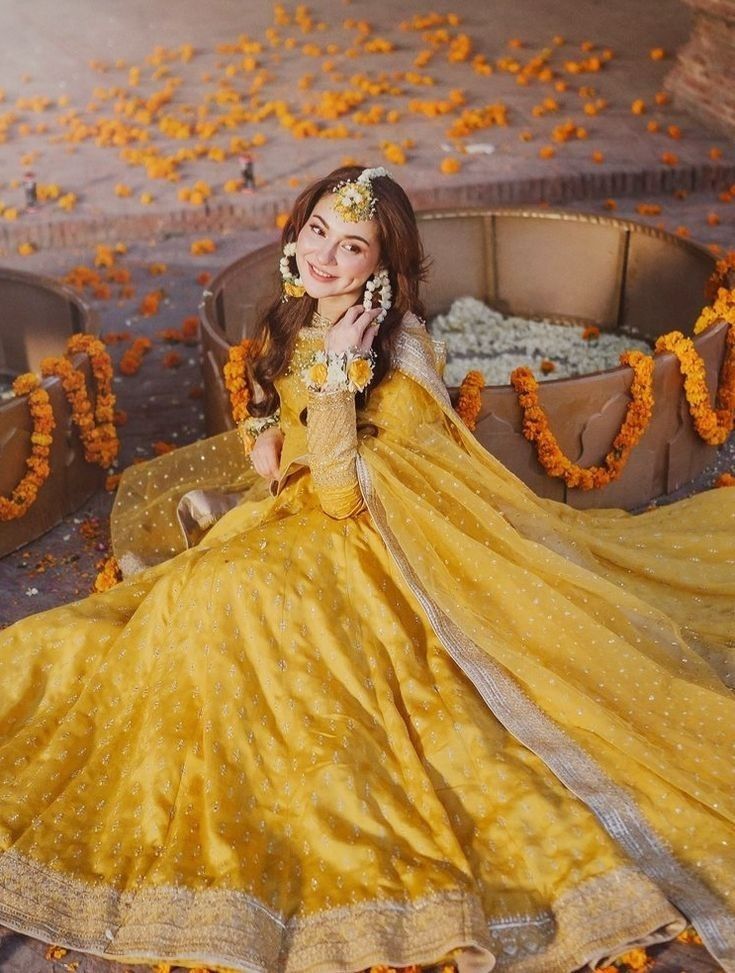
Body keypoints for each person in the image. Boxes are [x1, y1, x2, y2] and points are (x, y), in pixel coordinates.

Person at [0, 165, 734, 973]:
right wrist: (265, 439)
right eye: (316, 231)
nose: (324, 255)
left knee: (223, 595)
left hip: (371, 539)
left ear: (381, 267)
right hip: (288, 512)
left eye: (350, 246)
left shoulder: (400, 349)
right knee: (154, 613)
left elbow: (350, 493)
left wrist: (338, 378)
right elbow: (265, 404)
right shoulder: (296, 309)